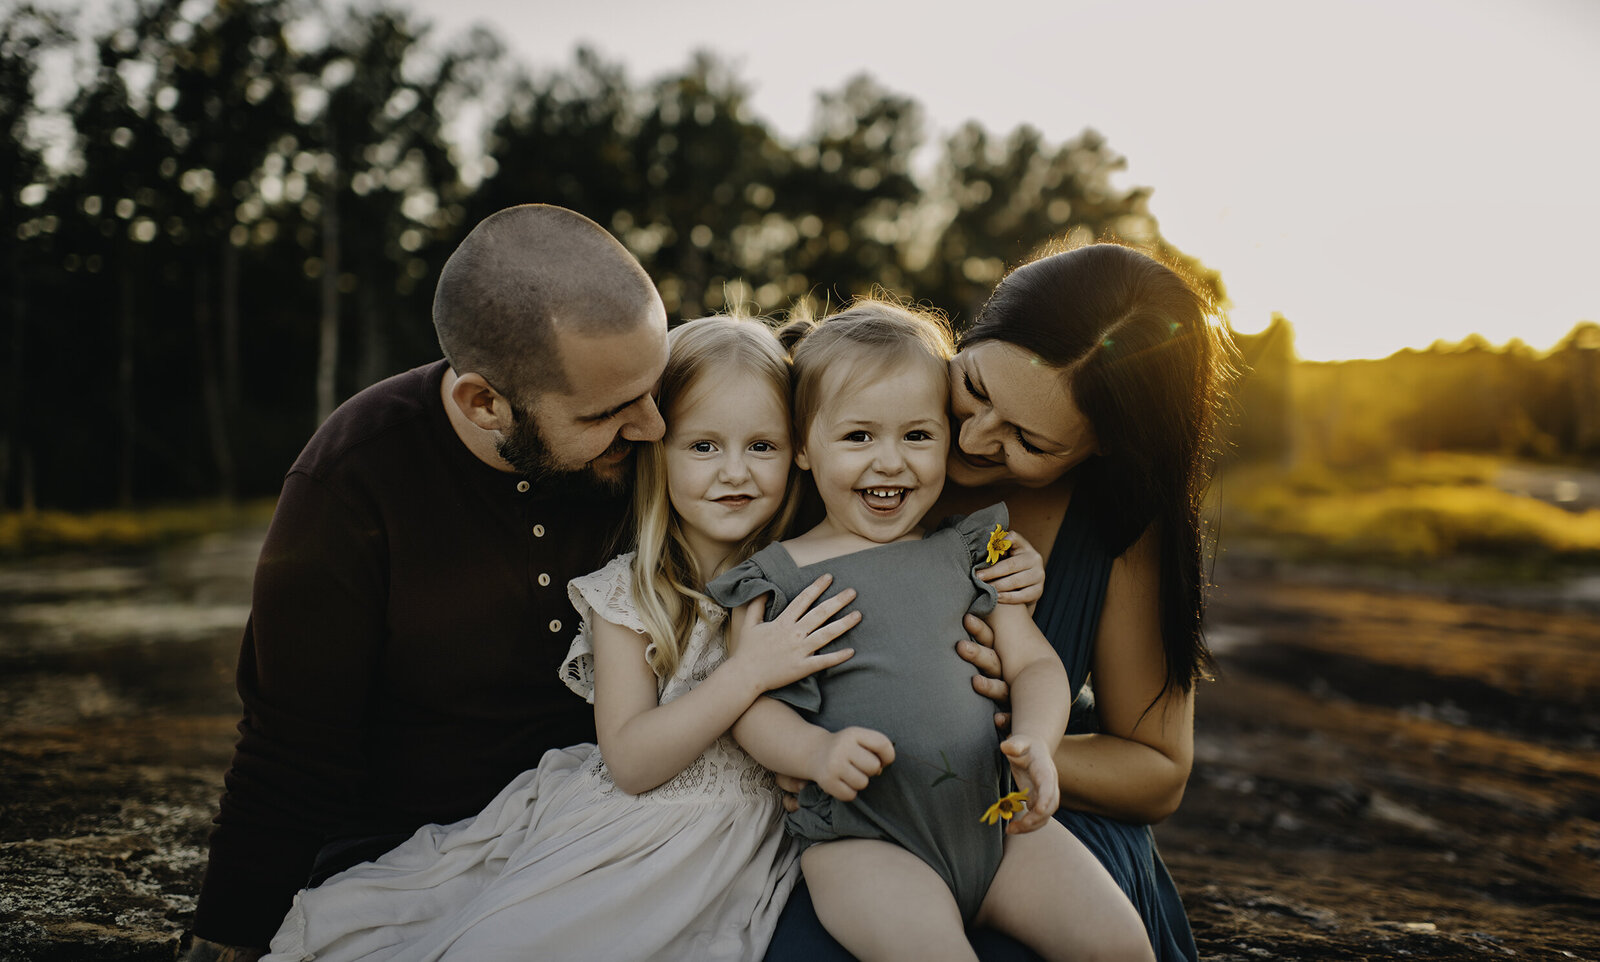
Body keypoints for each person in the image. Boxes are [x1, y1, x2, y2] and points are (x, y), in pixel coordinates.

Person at [258, 314, 863, 961]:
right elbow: (631, 761)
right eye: (704, 446)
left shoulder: (808, 568)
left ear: (797, 451)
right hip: (632, 842)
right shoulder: (629, 595)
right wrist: (746, 672)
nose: (734, 472)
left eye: (761, 446)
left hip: (752, 845)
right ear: (660, 452)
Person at [186, 205, 675, 961]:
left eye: (656, 385)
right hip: (405, 856)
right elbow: (289, 752)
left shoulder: (658, 436)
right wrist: (225, 939)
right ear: (485, 404)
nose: (654, 428)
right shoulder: (351, 483)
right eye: (610, 412)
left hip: (603, 836)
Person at [765, 242, 1229, 962]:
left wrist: (1005, 740)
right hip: (862, 829)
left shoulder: (1117, 523)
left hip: (1024, 817)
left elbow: (1158, 770)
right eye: (975, 388)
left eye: (1029, 440)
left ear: (1099, 450)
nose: (974, 439)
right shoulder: (850, 425)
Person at [709, 300, 1155, 962]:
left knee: (1120, 945)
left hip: (997, 823)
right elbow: (747, 703)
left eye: (917, 436)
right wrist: (812, 754)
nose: (890, 462)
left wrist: (1036, 738)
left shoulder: (971, 553)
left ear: (945, 440)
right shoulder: (777, 577)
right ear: (803, 446)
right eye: (859, 437)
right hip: (868, 842)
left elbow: (1033, 665)